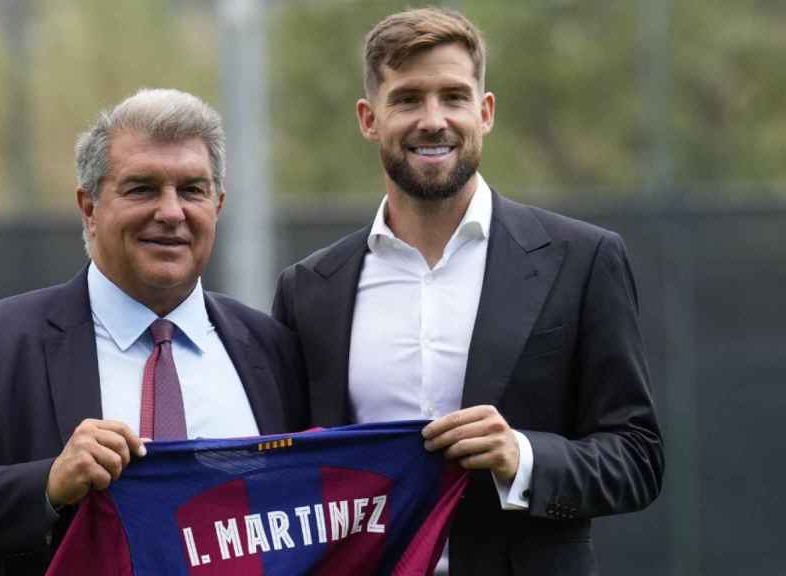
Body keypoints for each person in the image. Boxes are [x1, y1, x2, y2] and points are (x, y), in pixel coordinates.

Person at [273, 8, 663, 575]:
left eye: (453, 96)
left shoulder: (582, 259)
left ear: (485, 112)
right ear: (368, 118)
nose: (433, 120)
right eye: (407, 99)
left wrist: (521, 458)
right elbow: (286, 478)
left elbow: (637, 458)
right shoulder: (309, 289)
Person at [0, 88, 307, 575]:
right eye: (142, 188)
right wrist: (49, 482)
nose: (171, 212)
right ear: (88, 207)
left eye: (192, 189)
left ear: (218, 205)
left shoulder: (273, 349)